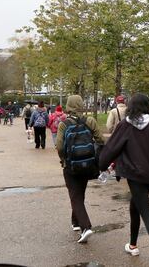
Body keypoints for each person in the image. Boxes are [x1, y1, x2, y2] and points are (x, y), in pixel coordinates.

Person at [99, 93, 149, 267]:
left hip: (134, 175)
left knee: (146, 213)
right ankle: (133, 245)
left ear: (131, 106)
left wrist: (102, 163)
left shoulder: (125, 125)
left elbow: (112, 147)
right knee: (135, 206)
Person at [56, 95, 104, 244]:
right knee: (79, 193)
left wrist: (64, 159)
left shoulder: (64, 124)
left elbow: (59, 146)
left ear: (68, 106)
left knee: (75, 196)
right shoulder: (90, 121)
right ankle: (75, 222)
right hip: (88, 164)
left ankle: (85, 227)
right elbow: (101, 140)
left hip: (71, 165)